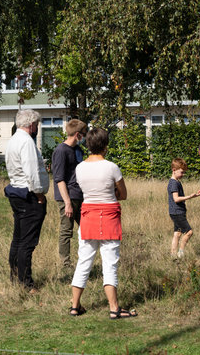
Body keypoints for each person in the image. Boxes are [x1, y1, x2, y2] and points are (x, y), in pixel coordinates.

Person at [69, 127, 137, 319]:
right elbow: (123, 194)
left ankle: (75, 305)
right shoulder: (112, 167)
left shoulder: (80, 167)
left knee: (84, 261)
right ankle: (114, 308)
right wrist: (113, 194)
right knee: (110, 263)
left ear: (88, 145)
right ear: (105, 146)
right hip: (109, 216)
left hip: (88, 215)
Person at [4, 109, 49, 292]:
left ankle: (15, 277)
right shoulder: (27, 142)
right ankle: (26, 284)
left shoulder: (13, 139)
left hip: (17, 192)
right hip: (28, 195)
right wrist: (39, 194)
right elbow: (31, 171)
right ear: (32, 125)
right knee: (27, 242)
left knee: (18, 239)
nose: (37, 128)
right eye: (37, 125)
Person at [51, 119, 88, 268]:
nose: (85, 138)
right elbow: (59, 179)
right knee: (67, 231)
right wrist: (67, 203)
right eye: (84, 135)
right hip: (67, 197)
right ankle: (65, 264)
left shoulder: (78, 150)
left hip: (80, 196)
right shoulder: (60, 151)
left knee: (86, 229)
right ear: (78, 135)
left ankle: (84, 260)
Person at [167, 158, 200, 259]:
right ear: (174, 170)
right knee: (189, 232)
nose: (183, 174)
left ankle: (173, 255)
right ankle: (181, 253)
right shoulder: (173, 183)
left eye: (184, 172)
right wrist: (190, 196)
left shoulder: (176, 181)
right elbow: (176, 199)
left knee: (177, 233)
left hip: (176, 212)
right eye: (181, 172)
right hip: (177, 212)